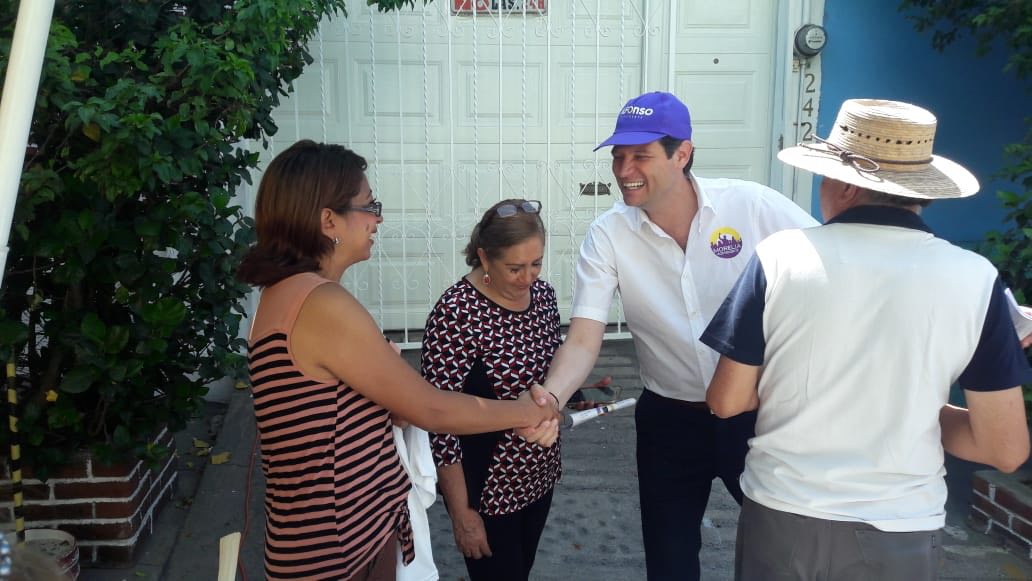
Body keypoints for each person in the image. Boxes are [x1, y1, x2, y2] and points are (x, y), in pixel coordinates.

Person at [701, 98, 1032, 580]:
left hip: (783, 514)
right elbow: (1004, 449)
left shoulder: (780, 257)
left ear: (842, 184)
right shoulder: (976, 279)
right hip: (900, 526)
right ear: (921, 191)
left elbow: (727, 401)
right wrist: (907, 409)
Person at [521, 91, 818, 580]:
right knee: (670, 557)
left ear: (682, 154)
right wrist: (551, 397)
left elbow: (830, 274)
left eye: (640, 155)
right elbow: (583, 337)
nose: (624, 168)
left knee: (789, 547)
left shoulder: (754, 207)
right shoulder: (608, 234)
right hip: (669, 420)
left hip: (760, 414)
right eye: (618, 156)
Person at [235, 141, 560, 581]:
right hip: (342, 548)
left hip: (315, 540)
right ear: (328, 219)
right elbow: (430, 408)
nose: (378, 219)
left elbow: (329, 419)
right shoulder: (321, 303)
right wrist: (528, 411)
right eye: (370, 206)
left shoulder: (284, 295)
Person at [421, 199, 562, 581]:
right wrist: (461, 513)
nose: (528, 278)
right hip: (485, 492)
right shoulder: (456, 312)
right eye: (514, 268)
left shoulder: (545, 299)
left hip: (538, 476)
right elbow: (439, 420)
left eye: (536, 264)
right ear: (484, 257)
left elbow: (552, 381)